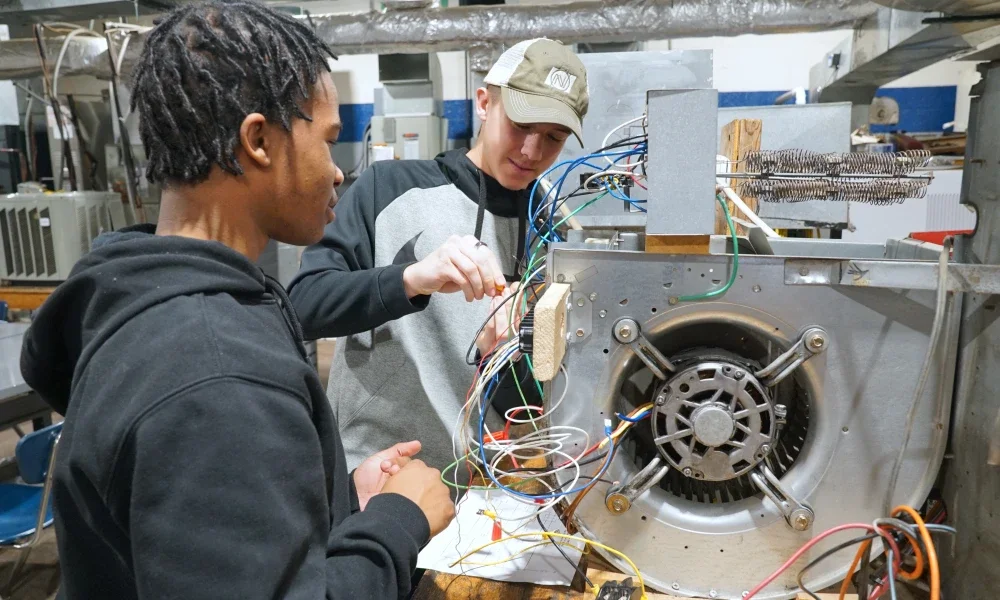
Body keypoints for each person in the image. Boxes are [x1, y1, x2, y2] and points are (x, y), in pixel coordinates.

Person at [19, 2, 453, 598]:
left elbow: (210, 539)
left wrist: (340, 497)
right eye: (327, 142)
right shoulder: (216, 372)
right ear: (258, 141)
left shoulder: (156, 303)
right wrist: (397, 522)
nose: (337, 173)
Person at [288, 39, 589, 479]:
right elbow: (302, 306)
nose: (531, 151)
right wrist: (410, 280)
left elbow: (543, 388)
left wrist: (512, 355)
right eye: (521, 125)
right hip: (375, 475)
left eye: (553, 137)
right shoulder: (388, 190)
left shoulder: (553, 231)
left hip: (480, 486)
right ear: (485, 103)